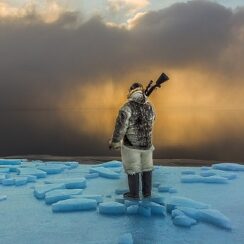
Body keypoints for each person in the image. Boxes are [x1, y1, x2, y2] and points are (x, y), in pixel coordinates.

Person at [109, 82, 156, 200]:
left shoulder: (127, 107)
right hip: (147, 145)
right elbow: (153, 120)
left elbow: (120, 127)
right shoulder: (150, 106)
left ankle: (134, 194)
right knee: (147, 168)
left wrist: (115, 142)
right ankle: (147, 193)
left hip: (131, 146)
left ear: (131, 91)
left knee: (132, 169)